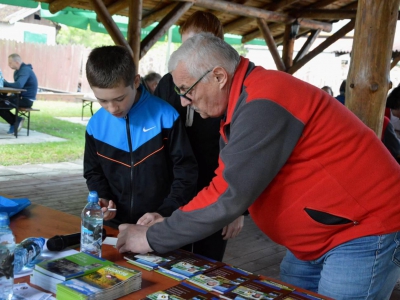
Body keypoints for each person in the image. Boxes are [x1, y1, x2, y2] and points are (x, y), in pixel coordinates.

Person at [116, 33, 400, 300]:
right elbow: (225, 181)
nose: (182, 101)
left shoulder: (265, 99)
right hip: (320, 236)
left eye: (186, 90)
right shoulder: (248, 97)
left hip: (361, 232)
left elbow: (228, 195)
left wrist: (152, 237)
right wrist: (170, 222)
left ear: (218, 76)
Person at [153, 11, 244, 261]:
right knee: (166, 259)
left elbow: (240, 153)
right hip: (174, 187)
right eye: (186, 46)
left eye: (199, 46)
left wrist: (236, 210)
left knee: (207, 262)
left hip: (214, 188)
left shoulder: (231, 92)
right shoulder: (167, 85)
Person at [83, 45, 198, 229]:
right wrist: (102, 197)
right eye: (103, 101)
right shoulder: (95, 125)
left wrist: (165, 212)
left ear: (136, 81)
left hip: (160, 224)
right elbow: (93, 172)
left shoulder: (166, 117)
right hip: (114, 226)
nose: (112, 108)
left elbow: (186, 173)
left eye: (119, 99)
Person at [0, 53, 38, 134]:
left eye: (10, 63)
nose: (8, 65)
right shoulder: (18, 71)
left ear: (17, 62)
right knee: (1, 101)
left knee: (1, 105)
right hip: (19, 97)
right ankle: (15, 121)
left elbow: (18, 85)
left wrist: (3, 83)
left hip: (26, 100)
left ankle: (16, 121)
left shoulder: (25, 70)